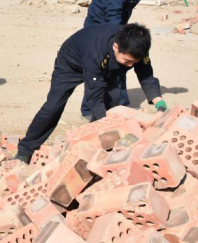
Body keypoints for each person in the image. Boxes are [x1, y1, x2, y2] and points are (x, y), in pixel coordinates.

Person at [15, 23, 167, 164]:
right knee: (53, 106)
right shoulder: (96, 51)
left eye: (134, 62)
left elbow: (146, 75)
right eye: (128, 61)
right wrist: (107, 124)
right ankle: (25, 150)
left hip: (106, 66)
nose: (131, 66)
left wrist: (160, 104)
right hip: (71, 64)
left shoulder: (136, 48)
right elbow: (94, 96)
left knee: (112, 102)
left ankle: (93, 148)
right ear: (116, 46)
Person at [81, 0, 172, 117]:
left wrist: (160, 103)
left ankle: (119, 106)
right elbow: (113, 11)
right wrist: (119, 37)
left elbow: (146, 73)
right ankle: (89, 110)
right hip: (99, 25)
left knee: (122, 64)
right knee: (99, 68)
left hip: (117, 24)